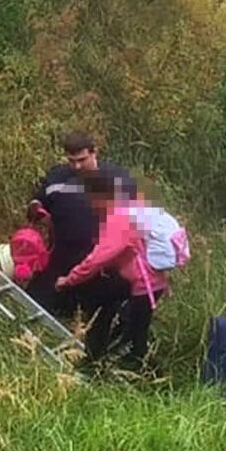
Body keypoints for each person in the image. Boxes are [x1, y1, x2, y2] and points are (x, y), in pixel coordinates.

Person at [55, 172, 169, 371]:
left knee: (136, 337)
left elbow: (97, 259)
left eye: (91, 200)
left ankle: (146, 376)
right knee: (119, 317)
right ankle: (102, 358)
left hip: (145, 285)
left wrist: (69, 280)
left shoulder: (119, 218)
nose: (91, 206)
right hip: (152, 282)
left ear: (101, 197)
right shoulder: (133, 210)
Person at [27, 131, 136, 316]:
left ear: (95, 153)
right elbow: (37, 200)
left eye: (82, 159)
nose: (76, 166)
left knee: (100, 315)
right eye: (71, 160)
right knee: (32, 305)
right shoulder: (57, 176)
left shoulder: (118, 180)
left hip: (100, 263)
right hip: (60, 256)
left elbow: (134, 220)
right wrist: (35, 208)